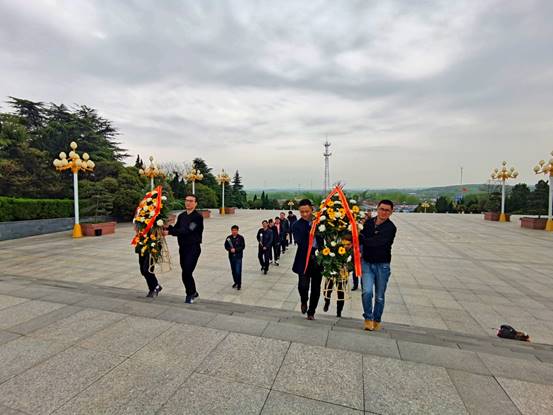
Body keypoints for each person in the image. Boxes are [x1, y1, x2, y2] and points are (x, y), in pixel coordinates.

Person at [360, 200, 397, 331]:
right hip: (367, 263)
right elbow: (362, 238)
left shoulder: (390, 228)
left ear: (391, 212)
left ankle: (377, 319)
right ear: (377, 208)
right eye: (382, 209)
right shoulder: (369, 223)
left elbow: (376, 242)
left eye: (387, 210)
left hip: (382, 265)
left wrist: (362, 238)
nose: (384, 212)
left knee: (379, 297)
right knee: (367, 292)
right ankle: (368, 318)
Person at [165, 194, 204, 304]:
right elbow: (176, 229)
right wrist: (166, 227)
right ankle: (193, 292)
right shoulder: (182, 216)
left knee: (187, 271)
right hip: (183, 248)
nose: (188, 203)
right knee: (185, 272)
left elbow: (188, 230)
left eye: (191, 201)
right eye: (187, 200)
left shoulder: (197, 217)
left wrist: (170, 232)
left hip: (193, 248)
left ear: (195, 204)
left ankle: (190, 293)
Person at [292, 199, 322, 320]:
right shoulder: (296, 225)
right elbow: (300, 241)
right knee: (303, 286)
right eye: (302, 212)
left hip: (318, 260)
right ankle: (304, 300)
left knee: (316, 288)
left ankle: (311, 312)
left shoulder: (321, 222)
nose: (304, 214)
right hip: (303, 259)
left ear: (312, 209)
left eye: (307, 211)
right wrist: (312, 228)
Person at [322, 233, 352, 317]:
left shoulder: (347, 235)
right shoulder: (331, 234)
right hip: (332, 266)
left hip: (343, 269)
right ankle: (327, 301)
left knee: (341, 291)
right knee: (328, 288)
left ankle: (339, 311)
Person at [224, 225, 245, 290]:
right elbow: (226, 246)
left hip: (238, 257)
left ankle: (239, 284)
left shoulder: (241, 238)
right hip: (231, 257)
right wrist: (230, 249)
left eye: (235, 230)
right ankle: (235, 282)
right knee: (233, 271)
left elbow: (242, 246)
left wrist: (235, 250)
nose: (234, 231)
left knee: (238, 271)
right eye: (233, 230)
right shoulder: (229, 238)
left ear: (237, 230)